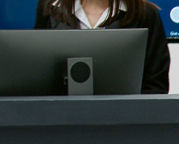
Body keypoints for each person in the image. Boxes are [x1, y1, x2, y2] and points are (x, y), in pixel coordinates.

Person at [34, 0, 171, 94]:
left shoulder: (146, 15)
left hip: (124, 125)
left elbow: (156, 86)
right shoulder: (50, 10)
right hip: (63, 123)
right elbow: (39, 77)